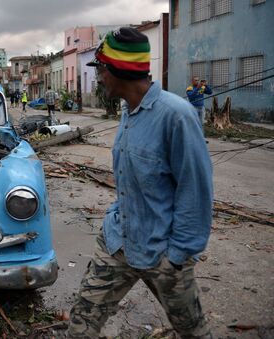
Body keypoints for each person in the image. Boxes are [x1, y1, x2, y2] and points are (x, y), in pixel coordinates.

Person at [68, 27, 213, 339]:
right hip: (119, 242)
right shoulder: (128, 111)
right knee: (80, 325)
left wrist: (176, 257)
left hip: (163, 252)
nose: (99, 78)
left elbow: (196, 192)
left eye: (101, 70)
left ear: (117, 70)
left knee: (194, 333)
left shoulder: (176, 116)